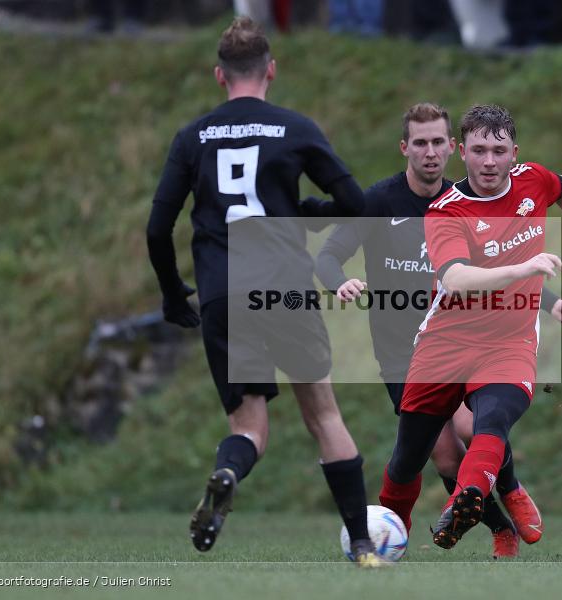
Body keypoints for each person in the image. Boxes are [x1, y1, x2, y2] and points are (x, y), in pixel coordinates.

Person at [145, 17, 387, 567]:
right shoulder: (295, 129)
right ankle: (363, 544)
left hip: (224, 294)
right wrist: (306, 210)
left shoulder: (193, 138)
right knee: (324, 416)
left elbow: (158, 229)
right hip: (284, 286)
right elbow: (356, 205)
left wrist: (173, 294)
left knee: (248, 426)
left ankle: (228, 473)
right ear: (270, 70)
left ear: (219, 76)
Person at [315, 103, 562, 558]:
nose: (430, 152)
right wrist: (339, 283)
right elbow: (329, 256)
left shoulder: (480, 195)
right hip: (405, 348)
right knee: (441, 454)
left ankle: (507, 494)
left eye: (437, 143)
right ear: (405, 148)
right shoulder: (384, 203)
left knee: (479, 423)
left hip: (483, 337)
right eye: (420, 143)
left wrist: (549, 302)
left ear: (452, 148)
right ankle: (492, 522)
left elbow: (502, 267)